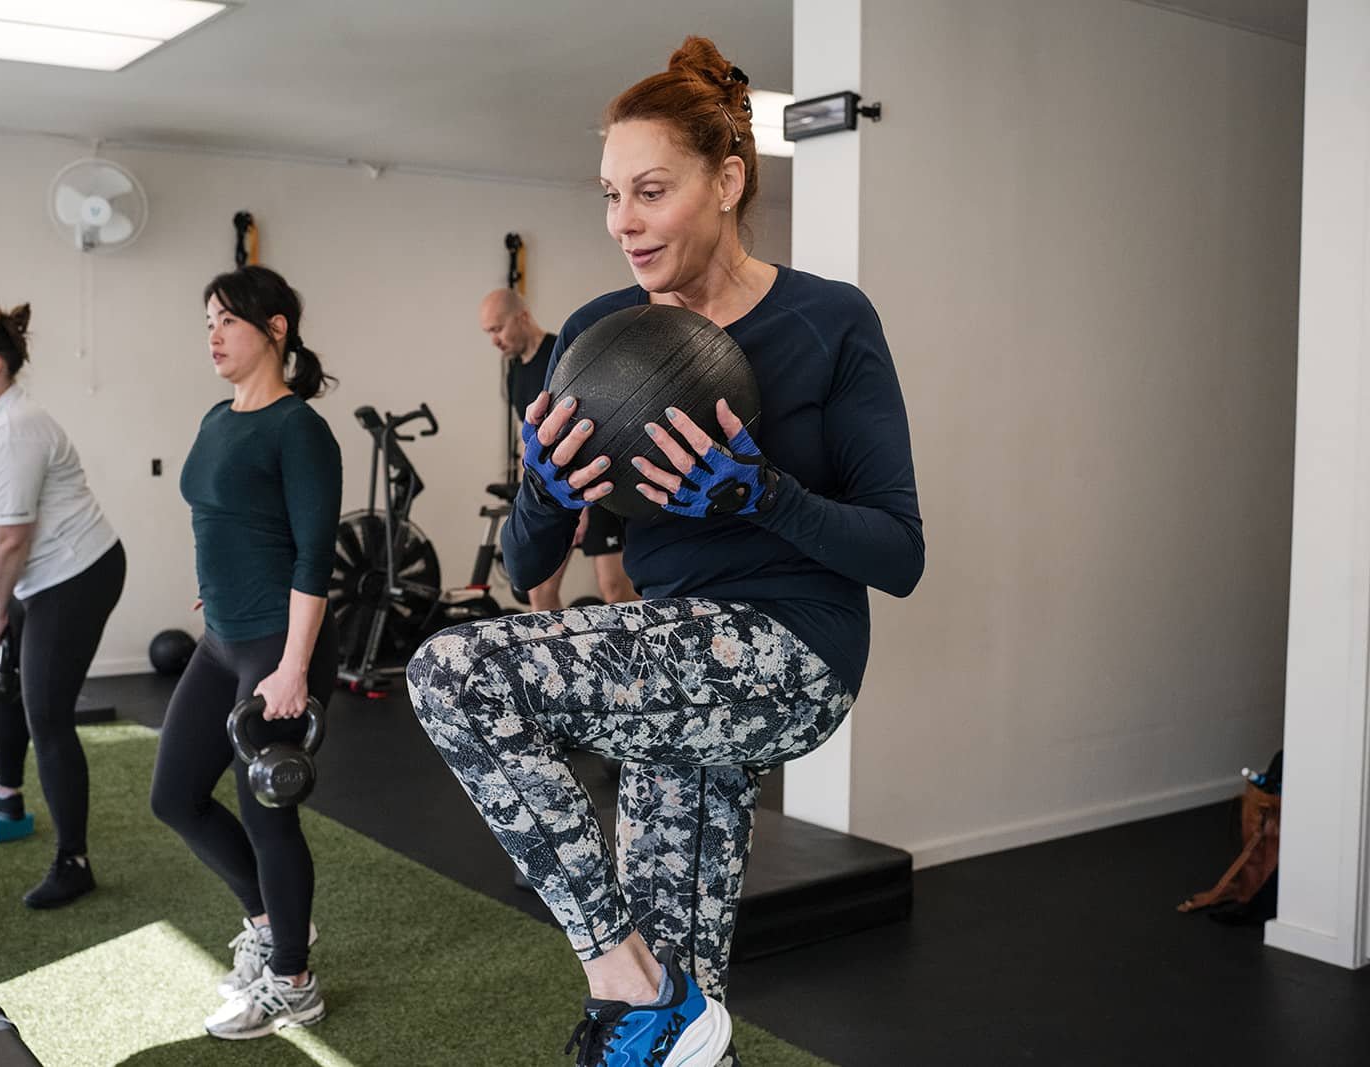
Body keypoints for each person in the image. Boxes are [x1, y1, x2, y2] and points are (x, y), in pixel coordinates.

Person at [410, 37, 924, 1067]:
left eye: (650, 191)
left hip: (789, 655)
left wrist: (763, 492)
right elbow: (524, 568)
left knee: (452, 670)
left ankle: (624, 978)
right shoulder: (597, 334)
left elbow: (899, 551)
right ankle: (669, 1009)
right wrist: (548, 493)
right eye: (609, 196)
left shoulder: (830, 319)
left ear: (727, 180)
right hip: (664, 677)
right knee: (681, 1023)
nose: (623, 224)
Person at [149, 265, 341, 1041]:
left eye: (226, 321)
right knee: (174, 795)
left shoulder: (300, 428)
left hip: (276, 646)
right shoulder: (217, 416)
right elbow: (224, 517)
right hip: (222, 636)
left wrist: (294, 667)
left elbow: (315, 555)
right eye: (207, 323)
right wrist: (217, 583)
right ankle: (269, 921)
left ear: (275, 329)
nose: (214, 336)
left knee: (269, 817)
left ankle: (293, 981)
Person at [0, 304, 127, 909]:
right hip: (26, 577)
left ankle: (73, 861)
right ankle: (4, 791)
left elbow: (12, 536)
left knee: (45, 711)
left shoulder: (18, 427)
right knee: (2, 686)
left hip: (75, 574)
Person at [479, 287, 638, 609]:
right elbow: (531, 438)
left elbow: (592, 426)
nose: (494, 340)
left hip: (595, 487)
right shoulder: (514, 372)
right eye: (488, 333)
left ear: (522, 317)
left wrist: (584, 508)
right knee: (539, 589)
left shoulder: (562, 355)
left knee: (614, 590)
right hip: (554, 491)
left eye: (498, 329)